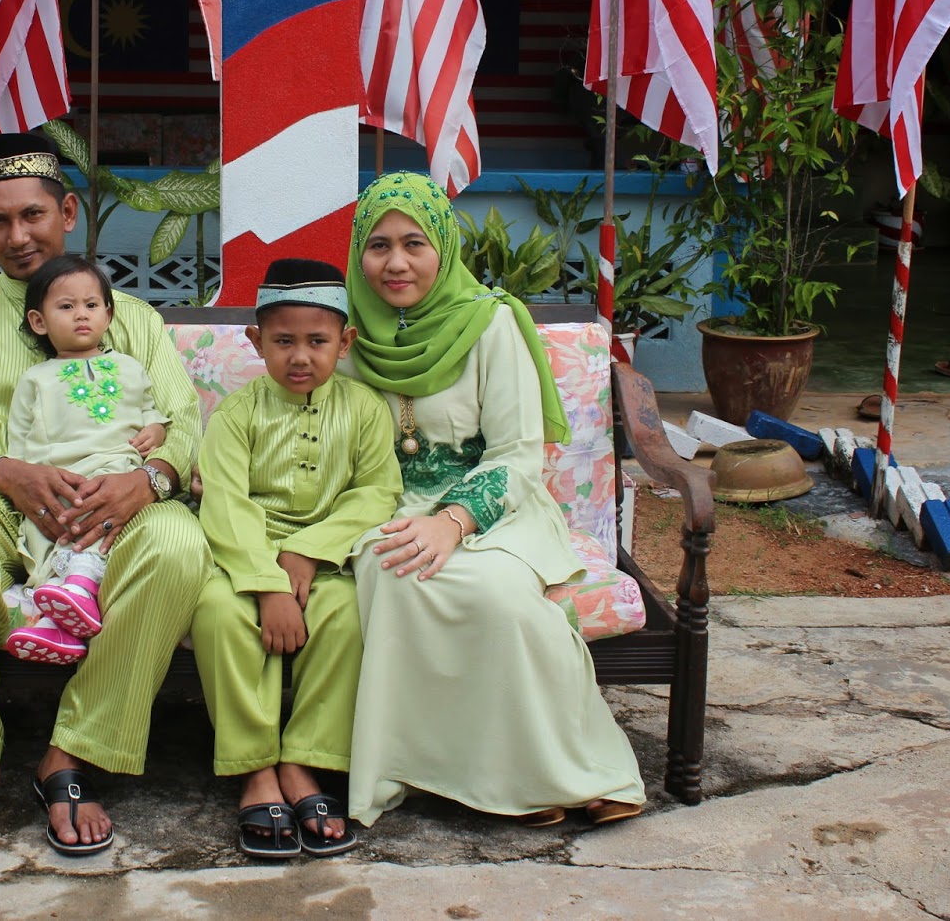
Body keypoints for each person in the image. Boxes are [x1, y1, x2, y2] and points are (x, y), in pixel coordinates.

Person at [0, 132, 210, 857]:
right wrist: (5, 472)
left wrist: (151, 480)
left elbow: (181, 420)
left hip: (112, 506)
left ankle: (74, 754)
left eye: (34, 214)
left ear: (67, 211)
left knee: (179, 542)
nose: (18, 235)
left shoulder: (131, 320)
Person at [342, 171, 646, 830]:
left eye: (414, 243)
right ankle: (447, 776)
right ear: (359, 252)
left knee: (502, 598)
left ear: (443, 247)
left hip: (493, 504)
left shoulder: (491, 324)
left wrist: (453, 521)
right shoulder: (343, 332)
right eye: (379, 244)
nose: (395, 262)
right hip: (380, 505)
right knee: (398, 572)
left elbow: (517, 452)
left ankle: (558, 771)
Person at [192, 258, 402, 859]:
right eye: (283, 341)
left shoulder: (364, 409)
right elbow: (226, 503)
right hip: (242, 557)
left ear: (346, 341)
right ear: (257, 341)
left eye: (318, 341)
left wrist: (309, 552)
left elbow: (376, 492)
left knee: (347, 617)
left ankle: (305, 761)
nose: (301, 356)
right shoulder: (237, 413)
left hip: (328, 556)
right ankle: (254, 769)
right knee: (218, 614)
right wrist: (267, 583)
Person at [3, 254, 170, 665]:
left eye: (91, 305)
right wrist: (33, 477)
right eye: (66, 306)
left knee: (100, 517)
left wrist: (157, 430)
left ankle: (71, 596)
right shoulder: (35, 379)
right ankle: (62, 611)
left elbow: (151, 410)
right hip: (61, 477)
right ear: (39, 322)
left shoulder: (129, 367)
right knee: (52, 528)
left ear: (108, 315)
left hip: (117, 472)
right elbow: (18, 440)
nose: (81, 315)